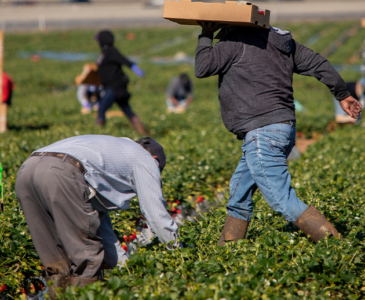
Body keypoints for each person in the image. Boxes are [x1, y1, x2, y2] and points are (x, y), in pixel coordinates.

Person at [194, 22, 362, 245]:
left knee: (281, 199)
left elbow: (202, 67)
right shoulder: (281, 43)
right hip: (282, 128)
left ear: (228, 26)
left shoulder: (235, 41)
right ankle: (227, 250)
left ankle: (336, 246)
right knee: (238, 194)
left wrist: (206, 33)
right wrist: (342, 93)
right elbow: (317, 63)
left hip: (262, 134)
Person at [15, 135, 178, 298]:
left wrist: (126, 269)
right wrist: (178, 254)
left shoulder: (110, 153)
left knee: (56, 260)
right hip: (62, 171)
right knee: (87, 259)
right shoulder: (145, 159)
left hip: (27, 169)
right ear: (154, 159)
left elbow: (100, 226)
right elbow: (155, 213)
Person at [94, 30, 148, 135]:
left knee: (101, 110)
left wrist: (134, 67)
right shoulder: (104, 53)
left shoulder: (110, 51)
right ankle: (145, 135)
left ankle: (94, 136)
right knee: (128, 111)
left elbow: (124, 60)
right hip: (111, 87)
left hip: (114, 87)